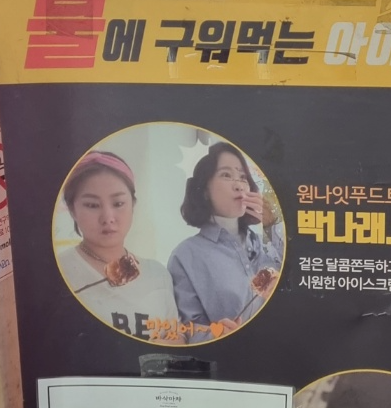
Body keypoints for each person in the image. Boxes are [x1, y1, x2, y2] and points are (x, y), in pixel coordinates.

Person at [56, 152, 179, 342]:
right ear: (72, 209)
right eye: (92, 205)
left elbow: (176, 336)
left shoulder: (158, 274)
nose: (108, 217)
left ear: (133, 205)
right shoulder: (57, 272)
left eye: (118, 203)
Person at [168, 143, 284, 338]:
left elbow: (300, 277)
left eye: (243, 177)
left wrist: (273, 226)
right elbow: (187, 331)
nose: (239, 185)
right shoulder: (185, 256)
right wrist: (215, 335)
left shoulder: (266, 242)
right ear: (204, 190)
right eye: (226, 175)